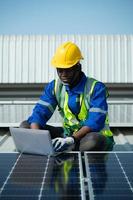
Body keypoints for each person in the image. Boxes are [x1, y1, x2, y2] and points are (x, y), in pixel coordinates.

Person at [20, 41, 114, 152]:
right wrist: (36, 136)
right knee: (26, 126)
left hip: (90, 135)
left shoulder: (96, 88)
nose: (63, 74)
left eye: (68, 70)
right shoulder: (54, 86)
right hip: (67, 135)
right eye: (60, 70)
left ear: (78, 67)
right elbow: (39, 113)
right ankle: (60, 148)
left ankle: (68, 147)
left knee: (93, 141)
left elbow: (95, 122)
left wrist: (72, 139)